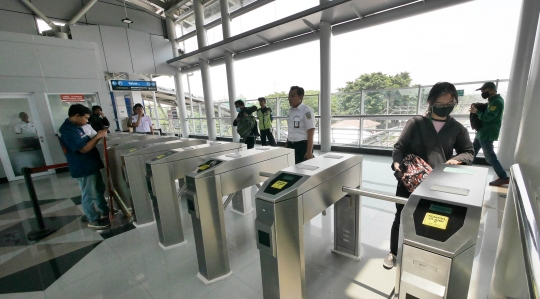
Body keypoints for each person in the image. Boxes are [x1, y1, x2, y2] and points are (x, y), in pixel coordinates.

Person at [384, 82, 474, 270]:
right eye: (441, 104)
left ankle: (419, 256)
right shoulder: (416, 123)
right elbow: (399, 148)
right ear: (431, 102)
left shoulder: (457, 128)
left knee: (429, 219)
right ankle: (393, 252)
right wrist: (397, 164)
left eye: (450, 104)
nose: (445, 107)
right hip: (409, 181)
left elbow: (468, 151)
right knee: (401, 215)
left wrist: (457, 160)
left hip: (437, 184)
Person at [59, 104, 111, 229]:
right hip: (83, 167)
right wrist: (98, 136)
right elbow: (83, 149)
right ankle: (93, 219)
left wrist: (98, 135)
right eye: (86, 118)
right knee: (89, 194)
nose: (87, 121)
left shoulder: (77, 127)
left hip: (91, 164)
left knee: (99, 189)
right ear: (77, 116)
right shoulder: (67, 131)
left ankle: (104, 211)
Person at [469, 81, 508, 186]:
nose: (482, 93)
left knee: (490, 157)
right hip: (482, 132)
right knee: (473, 150)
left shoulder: (496, 102)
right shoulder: (492, 101)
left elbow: (488, 117)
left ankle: (504, 177)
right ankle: (465, 168)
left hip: (487, 133)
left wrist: (476, 112)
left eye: (484, 90)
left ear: (492, 90)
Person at [285, 86, 315, 164]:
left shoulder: (306, 111)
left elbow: (311, 131)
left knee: (303, 171)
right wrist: (287, 144)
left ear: (300, 97)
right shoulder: (290, 111)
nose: (290, 98)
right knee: (291, 169)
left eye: (293, 96)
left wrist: (309, 151)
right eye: (289, 96)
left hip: (302, 146)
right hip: (291, 145)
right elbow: (291, 130)